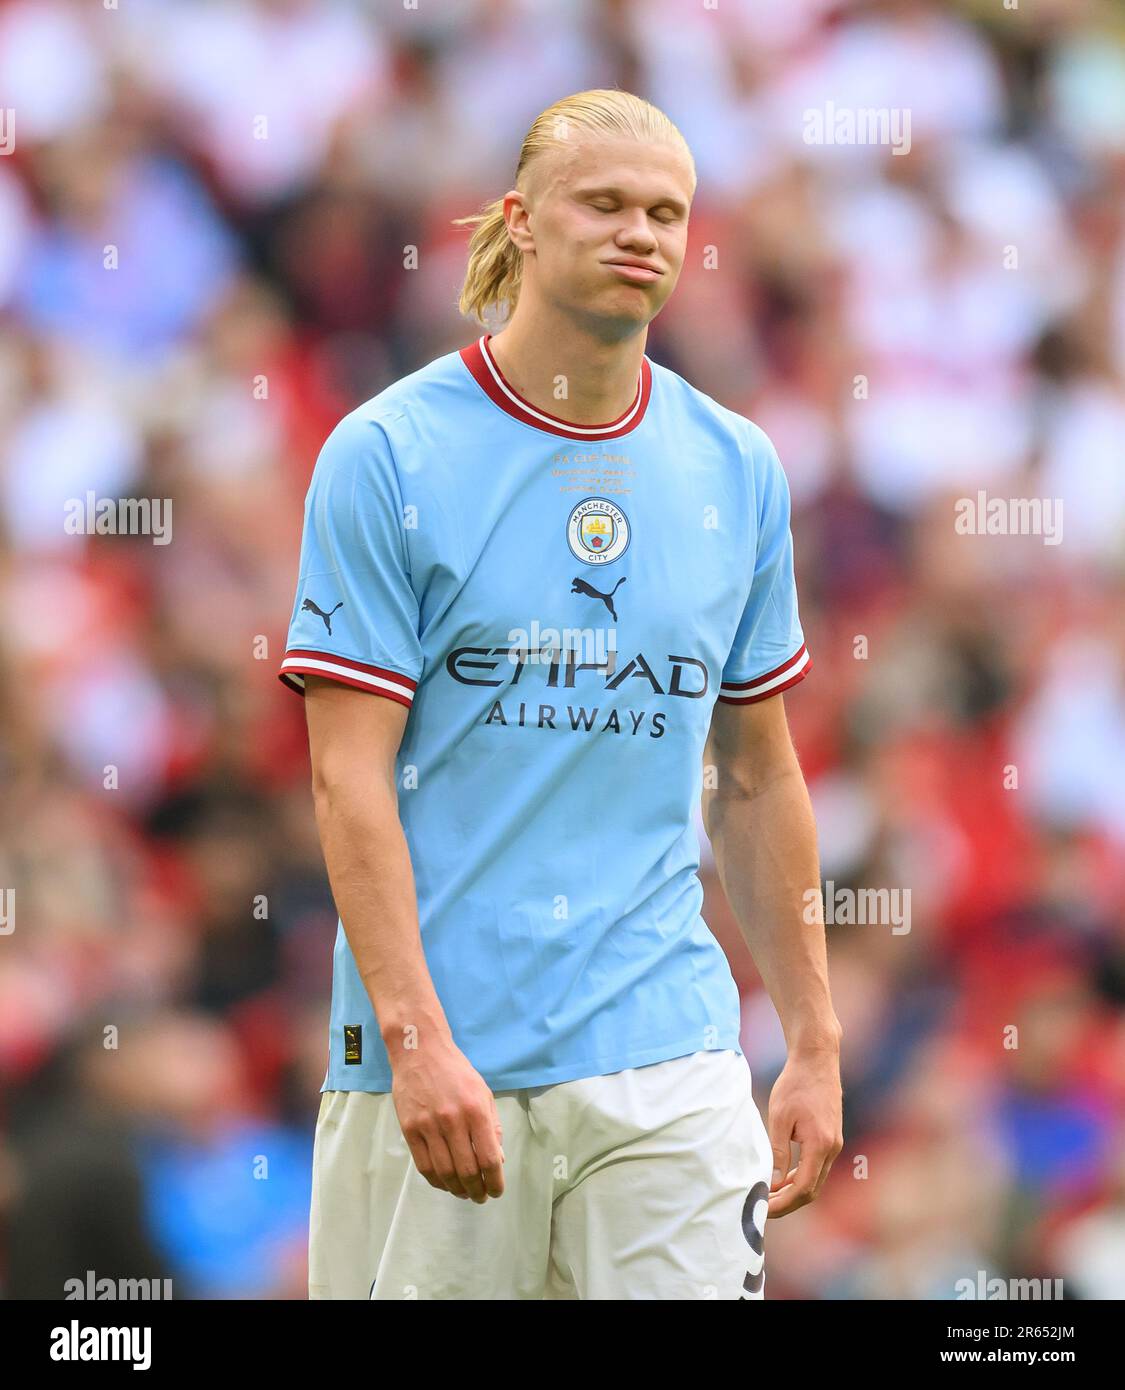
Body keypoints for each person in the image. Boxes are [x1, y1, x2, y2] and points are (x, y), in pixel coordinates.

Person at [279, 88, 842, 1300]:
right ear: (520, 220)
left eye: (667, 213)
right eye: (604, 203)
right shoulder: (388, 454)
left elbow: (755, 773)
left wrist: (812, 1042)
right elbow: (347, 774)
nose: (640, 231)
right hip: (436, 1064)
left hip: (669, 1054)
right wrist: (415, 1042)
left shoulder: (735, 467)